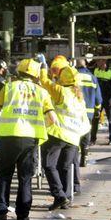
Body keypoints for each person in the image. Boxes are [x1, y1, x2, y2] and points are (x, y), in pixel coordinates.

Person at [0, 58, 56, 220]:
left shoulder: (8, 87)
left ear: (19, 72)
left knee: (4, 175)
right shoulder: (42, 92)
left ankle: (1, 212)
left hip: (9, 137)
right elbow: (52, 118)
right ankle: (23, 216)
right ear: (35, 75)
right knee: (25, 177)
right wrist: (39, 125)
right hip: (30, 139)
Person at [38, 60, 90, 210]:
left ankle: (59, 196)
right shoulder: (79, 97)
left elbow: (44, 81)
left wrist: (43, 68)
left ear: (63, 79)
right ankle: (65, 198)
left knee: (48, 165)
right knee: (65, 167)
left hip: (58, 134)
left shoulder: (61, 91)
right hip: (74, 137)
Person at [76, 58, 102, 166]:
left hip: (75, 111)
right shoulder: (92, 77)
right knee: (86, 132)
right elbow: (98, 98)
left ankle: (75, 156)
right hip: (89, 112)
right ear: (86, 65)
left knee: (76, 133)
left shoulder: (73, 76)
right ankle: (84, 157)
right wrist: (98, 108)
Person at [91, 59, 111, 145]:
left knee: (110, 119)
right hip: (98, 99)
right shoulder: (95, 71)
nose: (97, 63)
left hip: (109, 99)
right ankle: (92, 139)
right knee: (95, 119)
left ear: (104, 62)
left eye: (99, 61)